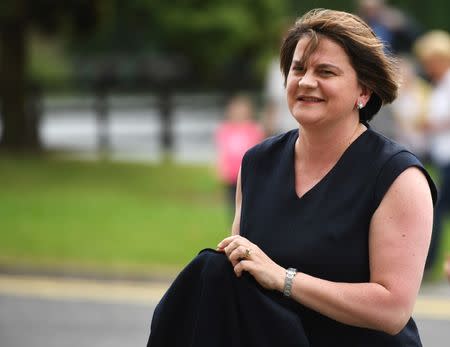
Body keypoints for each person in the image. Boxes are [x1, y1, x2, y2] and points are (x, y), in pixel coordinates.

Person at [147, 9, 436, 346]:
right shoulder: (257, 163)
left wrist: (285, 279)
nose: (306, 81)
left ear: (364, 91)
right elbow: (245, 279)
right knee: (211, 271)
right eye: (298, 69)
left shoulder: (398, 177)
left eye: (325, 71)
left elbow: (392, 311)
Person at [413, 30, 450, 273]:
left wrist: (431, 125)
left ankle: (429, 264)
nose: (427, 68)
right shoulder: (439, 85)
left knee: (437, 209)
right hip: (441, 156)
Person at [215, 94, 264, 215]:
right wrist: (221, 167)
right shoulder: (225, 129)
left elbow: (259, 150)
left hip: (248, 174)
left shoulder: (253, 129)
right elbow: (223, 151)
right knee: (233, 203)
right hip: (232, 174)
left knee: (248, 202)